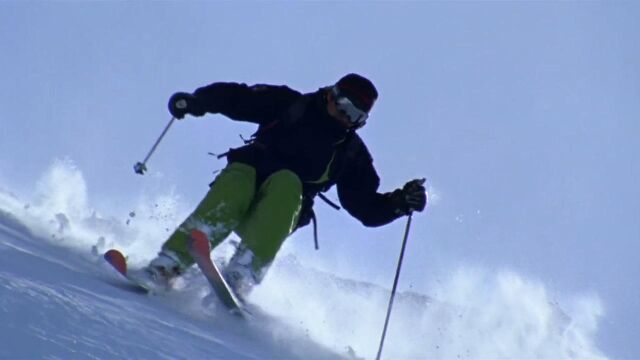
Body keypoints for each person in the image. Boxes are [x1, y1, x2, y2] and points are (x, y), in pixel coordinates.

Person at [142, 73, 427, 298]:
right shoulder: (290, 105)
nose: (346, 118)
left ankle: (243, 272)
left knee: (288, 183)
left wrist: (399, 203)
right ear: (331, 94)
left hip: (275, 213)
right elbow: (237, 98)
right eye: (345, 108)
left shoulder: (350, 153)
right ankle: (169, 264)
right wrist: (197, 101)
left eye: (356, 117)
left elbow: (365, 207)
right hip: (244, 183)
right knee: (239, 178)